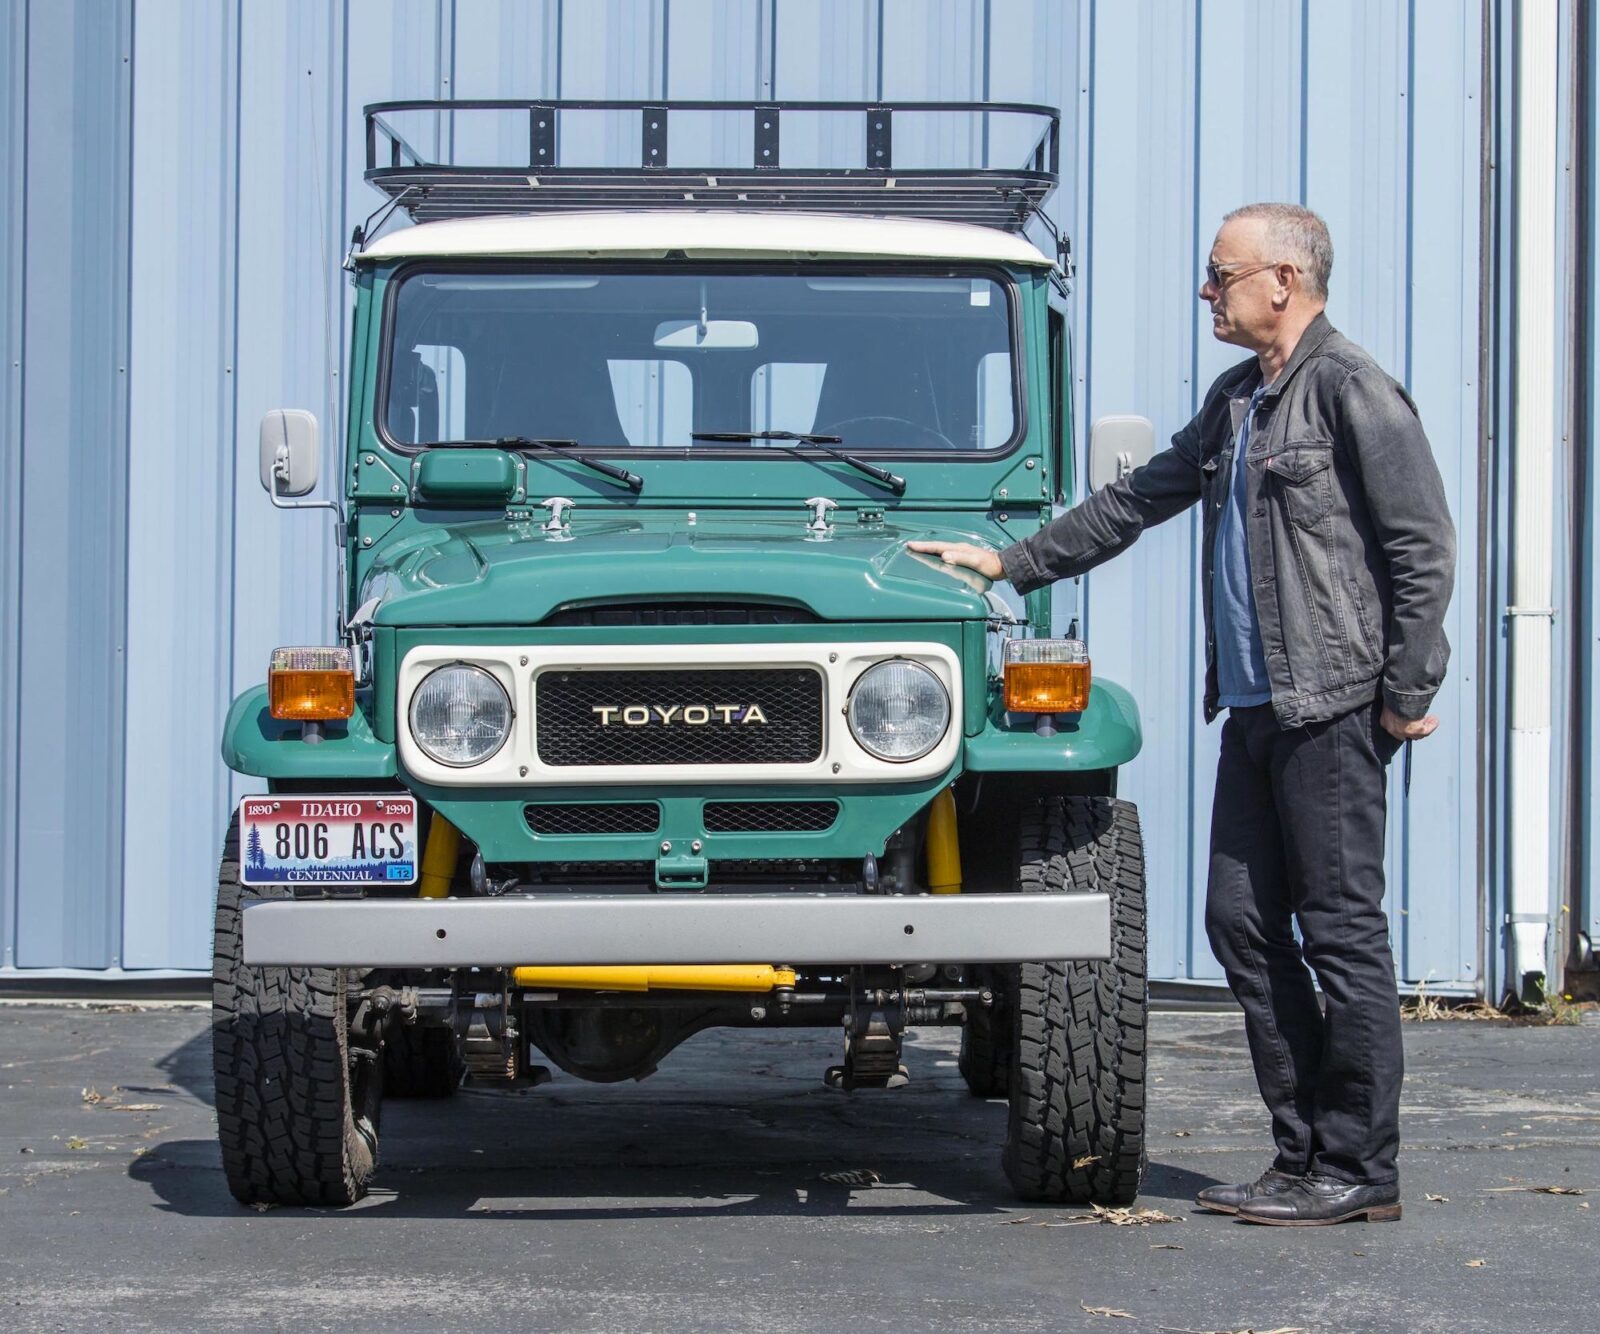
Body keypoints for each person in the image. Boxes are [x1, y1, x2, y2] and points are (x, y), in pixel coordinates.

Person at [911, 203, 1455, 1226]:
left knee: (1340, 931)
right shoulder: (1238, 398)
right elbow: (1141, 497)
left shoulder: (1349, 389)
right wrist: (1007, 562)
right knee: (1238, 921)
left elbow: (1422, 542)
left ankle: (1359, 1167)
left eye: (1220, 275)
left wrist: (1407, 690)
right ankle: (1301, 1157)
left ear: (1283, 280)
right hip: (1253, 707)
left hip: (1332, 702)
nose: (1206, 293)